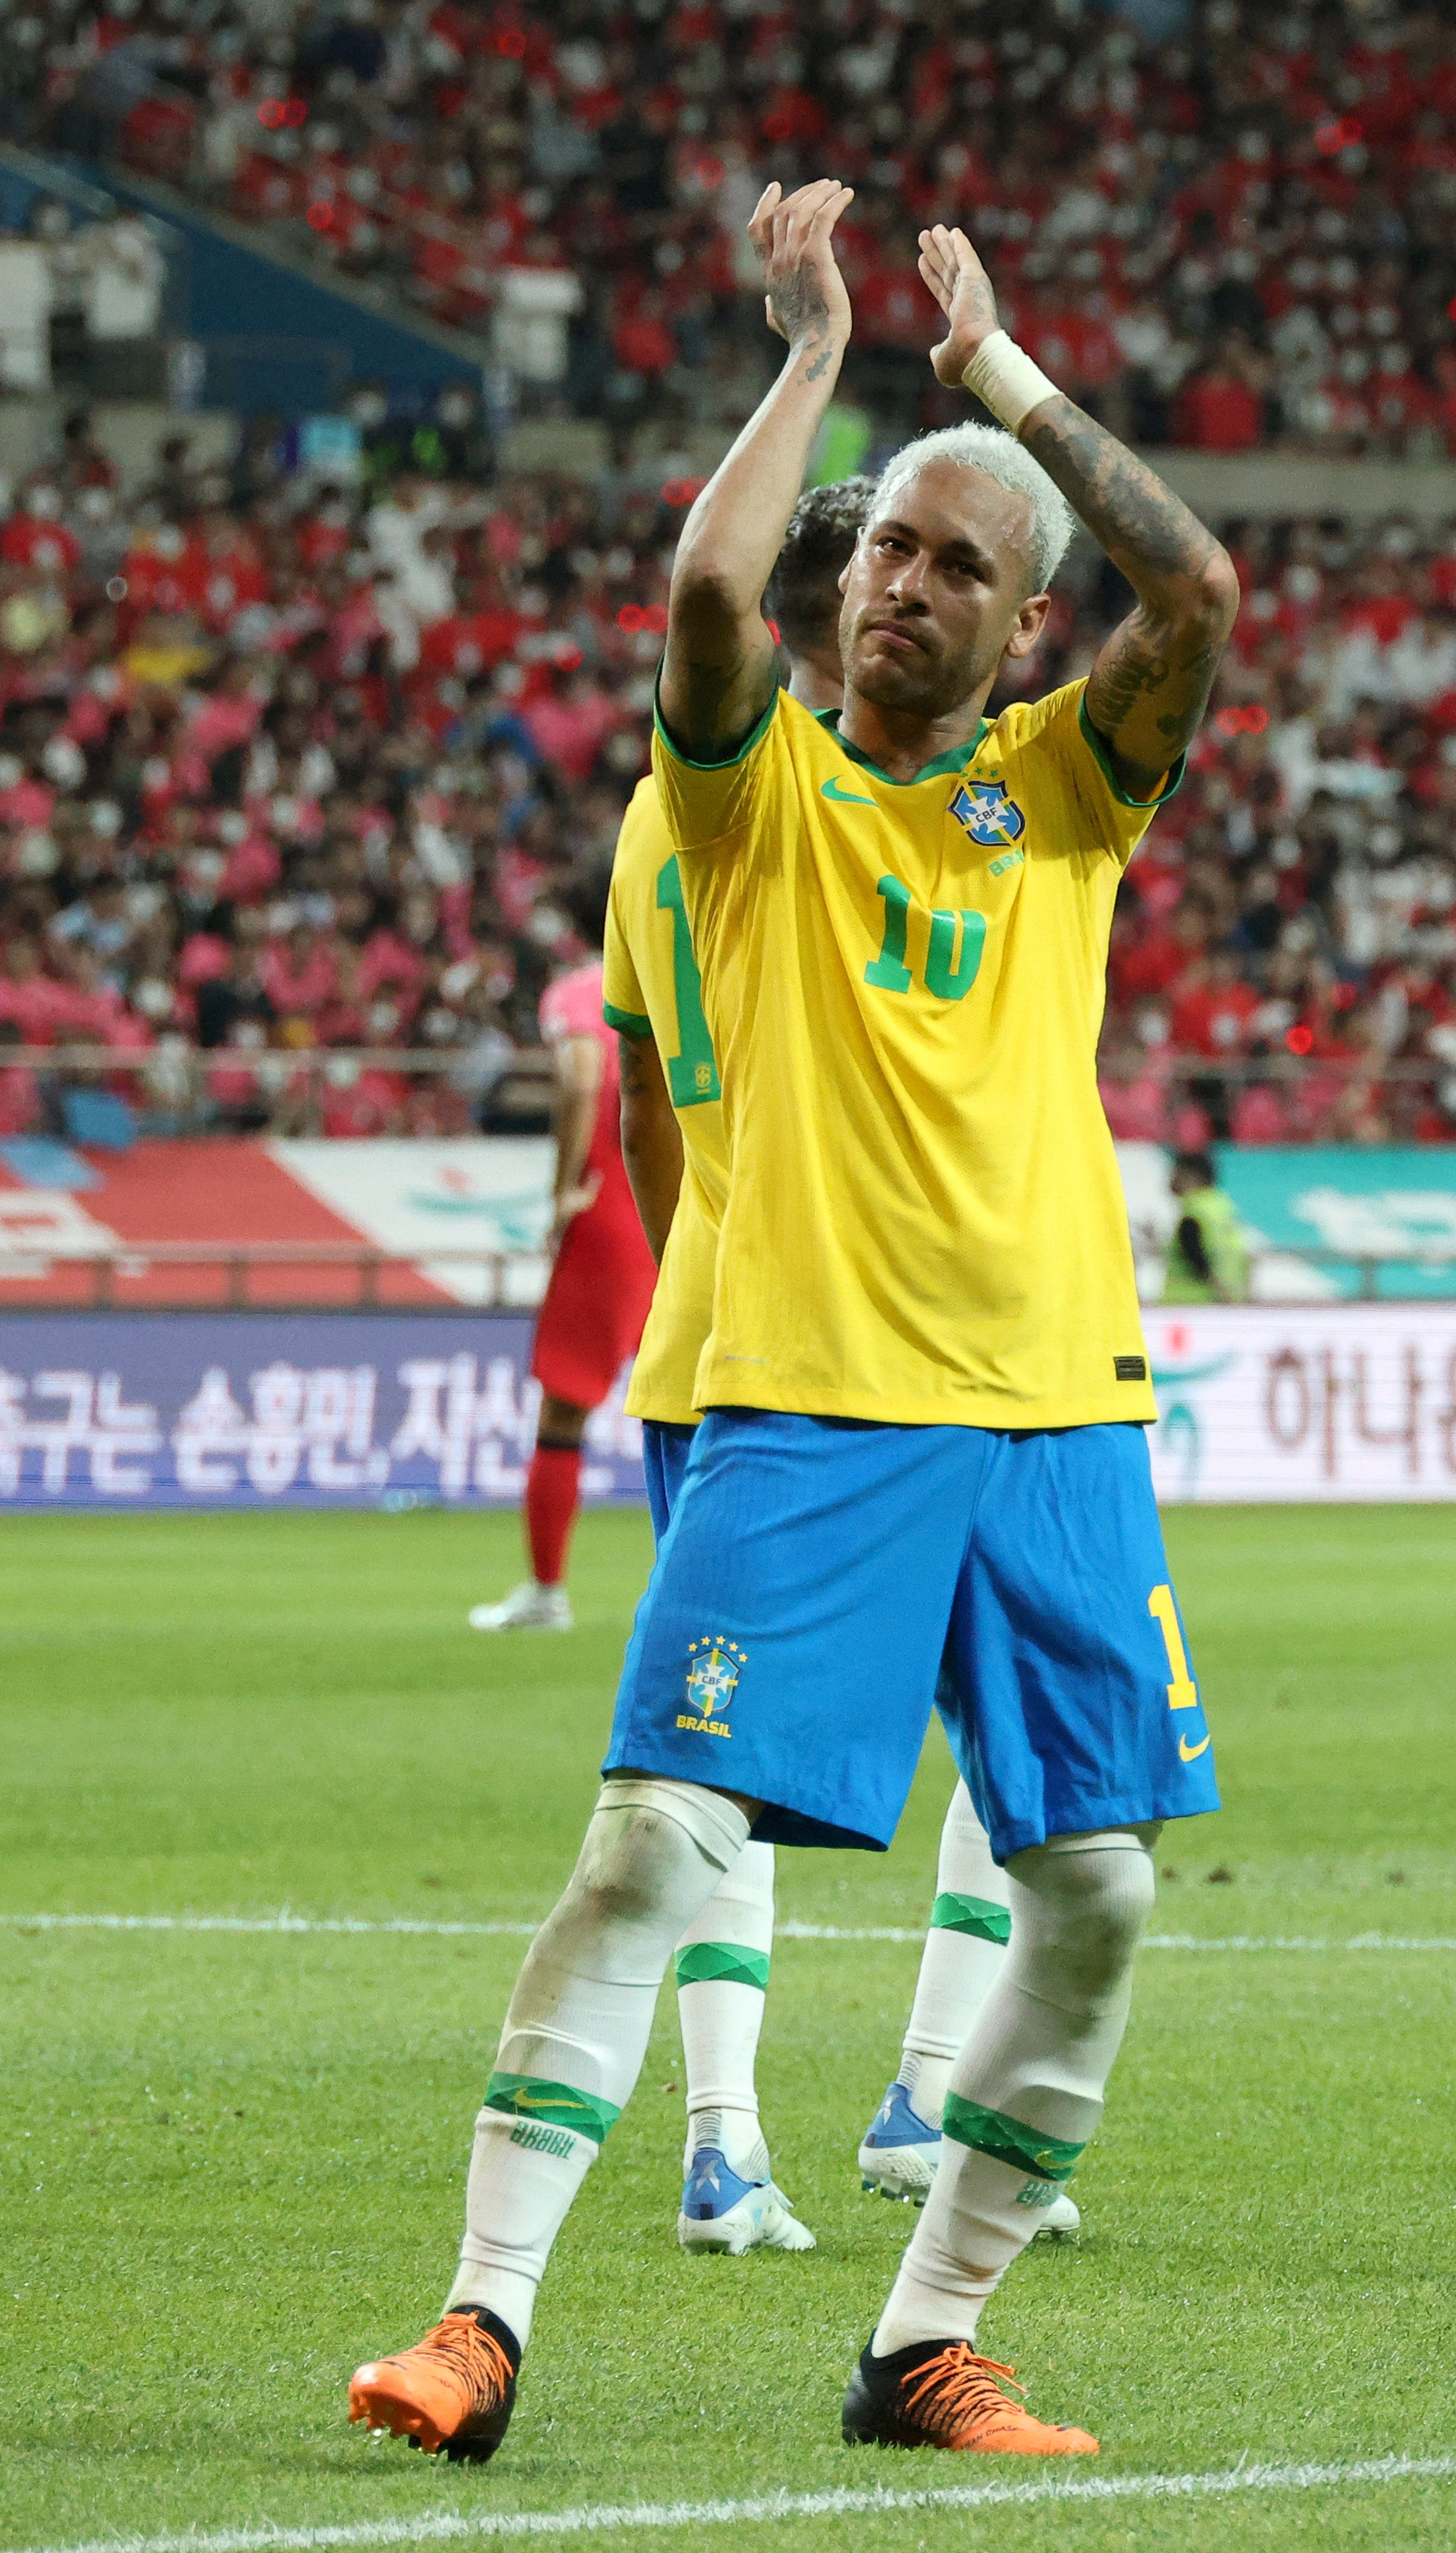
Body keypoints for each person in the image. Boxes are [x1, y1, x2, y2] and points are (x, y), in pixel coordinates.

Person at [349, 176, 1236, 2464]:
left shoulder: (1069, 795)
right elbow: (707, 592)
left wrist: (1004, 384)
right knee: (652, 1843)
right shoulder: (744, 812)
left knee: (1104, 1891)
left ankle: (923, 2341)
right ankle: (481, 2320)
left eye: (957, 563)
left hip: (1058, 1412)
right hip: (818, 1403)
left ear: (1027, 625)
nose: (902, 584)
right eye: (887, 554)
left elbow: (1205, 587)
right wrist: (816, 355)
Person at [587, 474, 875, 2255]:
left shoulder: (656, 811)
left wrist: (701, 1245)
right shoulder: (843, 808)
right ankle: (911, 2106)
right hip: (850, 1333)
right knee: (1021, 1754)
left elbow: (639, 1096)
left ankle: (726, 2137)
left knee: (718, 1762)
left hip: (708, 1318)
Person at [466, 878, 660, 1637]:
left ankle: (547, 1591)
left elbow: (584, 1080)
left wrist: (562, 1193)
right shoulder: (690, 966)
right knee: (700, 1405)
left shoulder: (582, 991)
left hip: (613, 1199)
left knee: (565, 1406)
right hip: (689, 1199)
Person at [1158, 1148, 1250, 1304]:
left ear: (1193, 1176)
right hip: (1227, 1300)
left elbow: (1195, 1256)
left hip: (1189, 1303)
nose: (1171, 1179)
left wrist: (1219, 1289)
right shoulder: (1224, 1208)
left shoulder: (1193, 1214)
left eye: (1176, 1172)